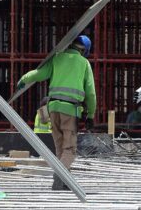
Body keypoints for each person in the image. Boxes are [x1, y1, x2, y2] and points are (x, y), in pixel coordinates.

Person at [18, 35, 96, 190]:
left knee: (60, 148)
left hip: (53, 108)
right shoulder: (84, 63)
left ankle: (64, 182)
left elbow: (39, 74)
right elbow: (91, 93)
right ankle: (60, 175)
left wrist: (23, 79)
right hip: (70, 110)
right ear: (84, 50)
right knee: (70, 149)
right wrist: (91, 115)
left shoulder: (57, 58)